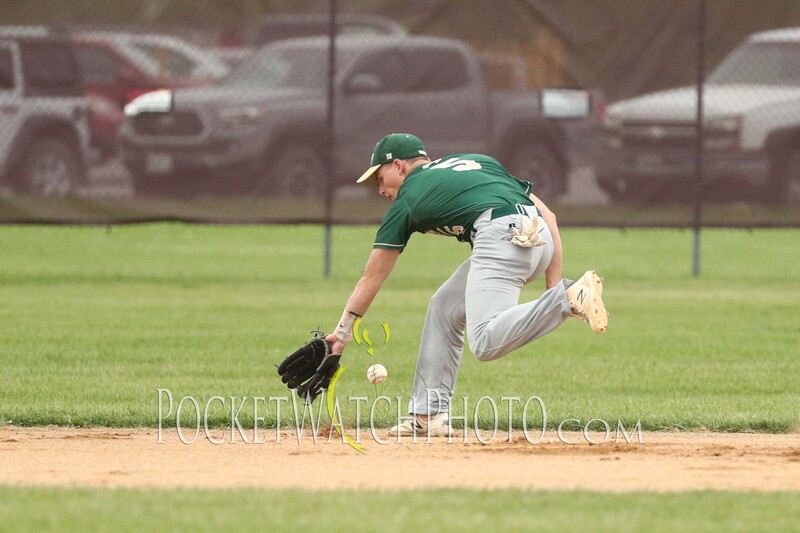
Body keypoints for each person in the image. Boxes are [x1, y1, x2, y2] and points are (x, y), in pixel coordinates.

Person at [323, 133, 607, 436]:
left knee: (484, 342)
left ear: (398, 166)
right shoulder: (476, 163)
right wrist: (550, 287)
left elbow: (372, 277)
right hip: (537, 236)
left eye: (380, 178)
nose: (379, 190)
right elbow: (548, 215)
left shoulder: (409, 198)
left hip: (501, 236)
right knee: (444, 307)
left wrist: (342, 332)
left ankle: (569, 299)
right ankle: (427, 414)